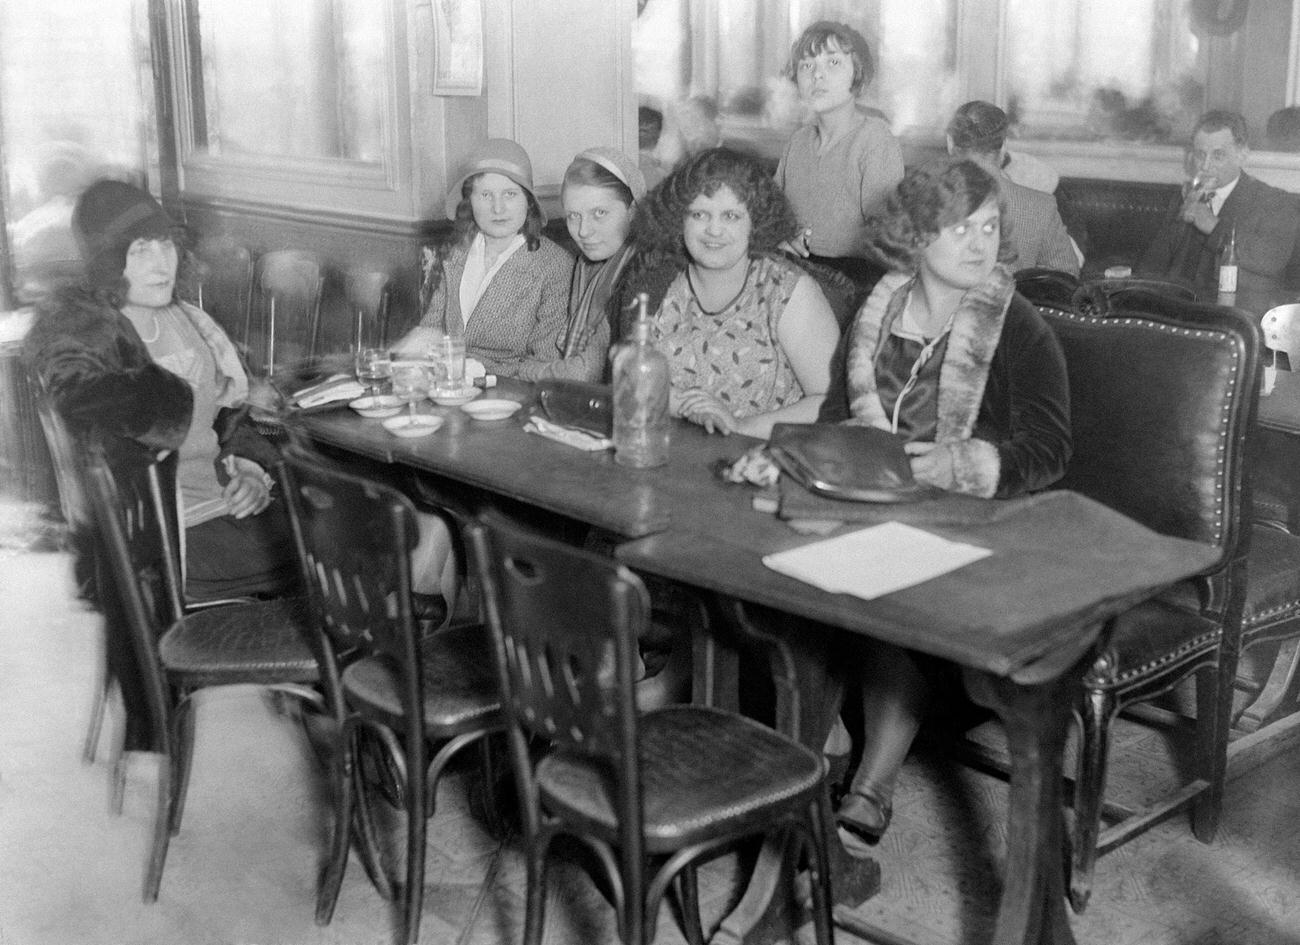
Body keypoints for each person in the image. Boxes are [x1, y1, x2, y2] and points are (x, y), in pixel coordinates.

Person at [821, 158, 1072, 842]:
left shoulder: (1015, 322)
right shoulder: (878, 310)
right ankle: (815, 738)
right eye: (958, 227)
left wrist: (962, 465)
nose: (977, 242)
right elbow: (833, 416)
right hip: (877, 496)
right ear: (914, 234)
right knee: (771, 566)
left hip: (978, 518)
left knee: (888, 586)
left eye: (988, 226)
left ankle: (872, 782)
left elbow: (1050, 449)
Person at [24, 179, 296, 601]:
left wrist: (249, 471)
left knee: (396, 533)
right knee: (360, 545)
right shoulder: (84, 338)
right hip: (164, 544)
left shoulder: (191, 322)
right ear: (107, 263)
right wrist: (171, 396)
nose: (161, 264)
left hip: (224, 512)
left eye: (165, 244)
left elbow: (228, 419)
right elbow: (88, 410)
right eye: (139, 251)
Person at [628, 147, 840, 439]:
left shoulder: (788, 291)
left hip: (764, 461)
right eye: (700, 214)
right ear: (679, 220)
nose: (714, 230)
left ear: (756, 222)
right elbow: (631, 379)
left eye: (731, 216)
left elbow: (830, 404)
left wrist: (740, 427)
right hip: (670, 455)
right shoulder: (657, 283)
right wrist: (686, 406)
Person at [394, 138, 571, 376]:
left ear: (528, 202)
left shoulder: (555, 265)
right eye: (486, 195)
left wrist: (473, 371)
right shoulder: (455, 254)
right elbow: (431, 329)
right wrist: (411, 349)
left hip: (509, 395)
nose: (498, 209)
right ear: (470, 201)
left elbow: (544, 363)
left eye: (510, 194)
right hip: (447, 388)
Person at [775, 20, 904, 286]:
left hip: (851, 280)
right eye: (806, 66)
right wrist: (781, 237)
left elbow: (888, 240)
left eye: (833, 63)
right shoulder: (798, 142)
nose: (817, 76)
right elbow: (769, 215)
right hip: (792, 272)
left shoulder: (874, 139)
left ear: (857, 73)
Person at [1138, 110, 1300, 311]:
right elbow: (1153, 264)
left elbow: (1272, 259)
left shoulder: (1275, 201)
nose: (1205, 166)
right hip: (1178, 311)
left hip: (1236, 319)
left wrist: (1214, 226)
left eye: (1218, 155)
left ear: (1242, 155)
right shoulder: (1187, 197)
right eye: (1200, 154)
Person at [543, 147, 647, 383]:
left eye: (599, 213)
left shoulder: (643, 271)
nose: (583, 231)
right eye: (573, 216)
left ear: (633, 211)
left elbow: (588, 371)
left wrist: (519, 370)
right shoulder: (585, 267)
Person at [946, 100, 1081, 275]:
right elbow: (1066, 277)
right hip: (1014, 301)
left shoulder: (924, 199)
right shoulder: (1041, 206)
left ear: (950, 143)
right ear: (1003, 146)